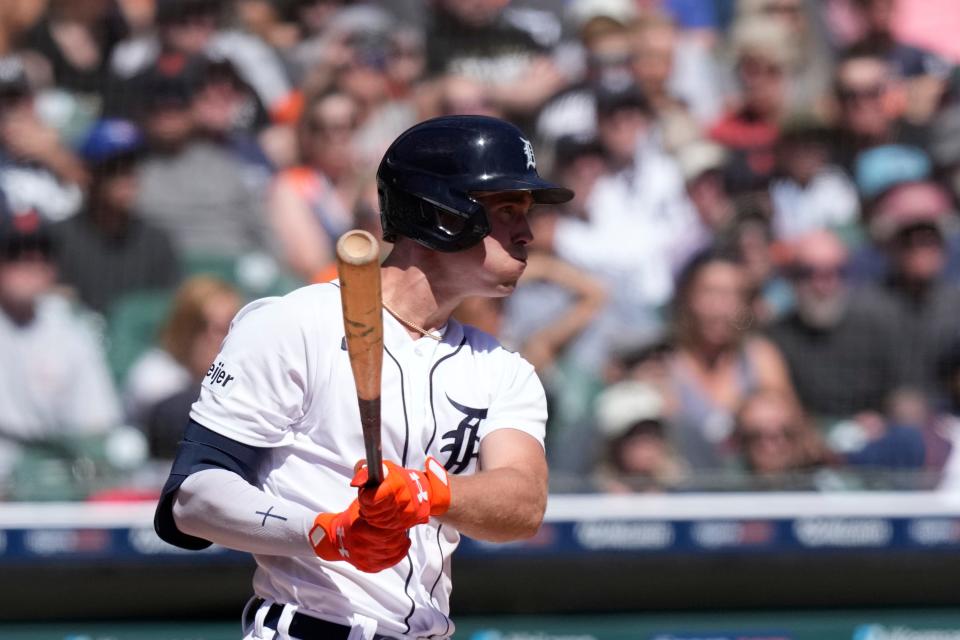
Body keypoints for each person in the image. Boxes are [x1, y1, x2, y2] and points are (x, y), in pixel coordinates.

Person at [154, 115, 573, 638]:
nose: (527, 231)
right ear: (442, 214)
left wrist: (429, 495)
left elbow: (523, 504)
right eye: (507, 208)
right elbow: (192, 499)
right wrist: (324, 532)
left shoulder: (502, 368)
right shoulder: (292, 323)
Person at [0, 207, 122, 484]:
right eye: (15, 254)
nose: (31, 262)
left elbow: (96, 423)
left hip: (56, 470)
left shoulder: (70, 327)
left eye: (41, 254)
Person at [53, 118, 180, 314]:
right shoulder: (58, 238)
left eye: (132, 166)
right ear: (89, 173)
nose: (127, 177)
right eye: (114, 168)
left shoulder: (157, 241)